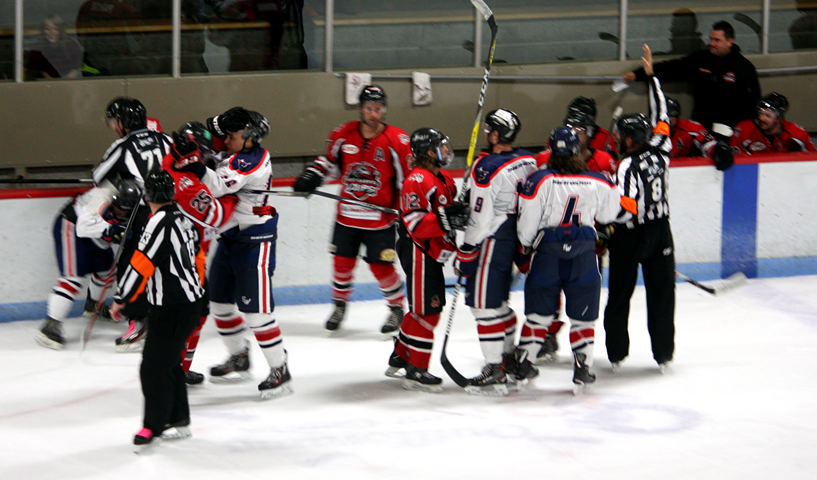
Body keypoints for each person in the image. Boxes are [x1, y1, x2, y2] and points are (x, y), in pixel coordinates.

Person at [189, 106, 292, 399]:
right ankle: (239, 356)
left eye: (231, 135)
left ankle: (280, 370)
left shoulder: (252, 160)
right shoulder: (236, 153)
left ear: (249, 136)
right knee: (219, 302)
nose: (226, 140)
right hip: (231, 238)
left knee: (256, 313)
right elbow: (217, 157)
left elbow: (219, 185)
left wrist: (195, 164)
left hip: (254, 242)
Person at [292, 85, 411, 336]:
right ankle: (339, 305)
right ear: (360, 108)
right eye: (369, 108)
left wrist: (405, 213)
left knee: (382, 267)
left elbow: (405, 180)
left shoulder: (396, 140)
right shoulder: (343, 134)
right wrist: (312, 176)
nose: (373, 113)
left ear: (384, 109)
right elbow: (330, 164)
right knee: (341, 263)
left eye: (378, 108)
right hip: (347, 216)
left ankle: (396, 308)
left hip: (380, 220)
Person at [517, 127, 620, 392]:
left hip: (548, 255)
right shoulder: (599, 180)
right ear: (577, 150)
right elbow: (610, 214)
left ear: (551, 149)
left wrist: (527, 246)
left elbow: (527, 225)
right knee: (583, 319)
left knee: (538, 315)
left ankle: (524, 362)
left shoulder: (538, 179)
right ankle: (582, 369)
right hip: (583, 256)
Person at [110, 169, 205, 453]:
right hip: (190, 304)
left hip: (172, 308)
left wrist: (121, 298)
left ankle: (154, 424)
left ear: (147, 196)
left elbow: (141, 263)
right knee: (168, 363)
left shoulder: (157, 224)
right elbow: (199, 257)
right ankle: (179, 418)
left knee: (152, 367)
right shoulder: (185, 219)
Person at [455, 108, 539, 396]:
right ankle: (510, 358)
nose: (486, 132)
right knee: (498, 304)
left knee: (483, 306)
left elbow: (480, 217)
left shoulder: (486, 167)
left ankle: (495, 368)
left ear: (495, 133)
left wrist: (467, 248)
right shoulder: (528, 159)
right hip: (515, 241)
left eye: (490, 128)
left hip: (491, 241)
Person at [605, 44, 676, 374]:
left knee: (620, 295)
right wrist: (652, 78)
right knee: (662, 295)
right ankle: (663, 354)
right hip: (661, 231)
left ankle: (617, 354)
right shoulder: (662, 148)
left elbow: (628, 208)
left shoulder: (626, 167)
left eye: (622, 135)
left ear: (630, 139)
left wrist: (605, 222)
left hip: (630, 237)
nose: (619, 139)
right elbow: (661, 113)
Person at [385, 127, 468, 393]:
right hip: (418, 249)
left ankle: (400, 354)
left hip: (430, 251)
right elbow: (415, 223)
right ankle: (416, 369)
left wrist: (458, 209)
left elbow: (447, 208)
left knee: (422, 310)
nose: (446, 151)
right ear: (429, 152)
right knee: (428, 313)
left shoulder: (441, 177)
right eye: (441, 147)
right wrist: (447, 218)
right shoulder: (417, 180)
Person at [161, 121, 239, 385]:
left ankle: (178, 369)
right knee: (187, 319)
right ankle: (173, 370)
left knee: (197, 315)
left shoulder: (177, 161)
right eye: (202, 154)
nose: (207, 159)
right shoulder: (183, 182)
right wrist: (234, 196)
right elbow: (216, 215)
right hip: (181, 263)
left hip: (190, 259)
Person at [93, 97, 173, 352]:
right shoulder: (164, 138)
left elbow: (98, 176)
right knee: (167, 263)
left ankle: (140, 322)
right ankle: (165, 319)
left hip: (144, 213)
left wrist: (125, 182)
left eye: (115, 121)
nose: (114, 126)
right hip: (174, 210)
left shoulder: (124, 145)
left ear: (124, 122)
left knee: (133, 263)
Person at [35, 179, 141, 349]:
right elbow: (83, 227)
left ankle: (93, 306)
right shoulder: (98, 198)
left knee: (108, 272)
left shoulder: (132, 203)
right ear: (113, 200)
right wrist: (112, 231)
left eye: (126, 212)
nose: (122, 213)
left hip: (95, 236)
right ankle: (50, 326)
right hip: (71, 227)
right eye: (120, 209)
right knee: (72, 278)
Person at [622, 21, 760, 132]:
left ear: (729, 42)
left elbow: (753, 102)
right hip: (701, 128)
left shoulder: (744, 67)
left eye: (717, 40)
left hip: (730, 130)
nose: (711, 43)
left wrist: (742, 130)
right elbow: (671, 68)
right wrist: (638, 74)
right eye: (711, 39)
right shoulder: (701, 59)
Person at [731, 92, 817, 155]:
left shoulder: (796, 133)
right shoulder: (743, 130)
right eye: (760, 113)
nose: (761, 118)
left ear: (779, 118)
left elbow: (812, 159)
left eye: (768, 116)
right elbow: (734, 158)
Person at [26, 14, 84, 80]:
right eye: (47, 29)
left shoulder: (71, 45)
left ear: (61, 30)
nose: (52, 32)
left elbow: (76, 68)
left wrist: (66, 81)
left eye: (55, 28)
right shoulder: (37, 49)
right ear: (43, 31)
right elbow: (36, 72)